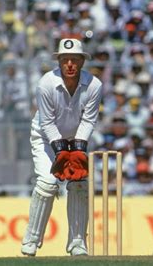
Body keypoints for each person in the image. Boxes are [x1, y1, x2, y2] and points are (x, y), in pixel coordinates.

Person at [21, 38, 103, 256]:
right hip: (45, 138)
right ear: (58, 61)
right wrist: (61, 150)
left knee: (79, 184)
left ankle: (77, 243)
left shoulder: (94, 85)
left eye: (74, 60)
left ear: (82, 62)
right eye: (65, 59)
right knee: (48, 184)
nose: (69, 64)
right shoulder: (45, 84)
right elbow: (47, 122)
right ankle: (31, 240)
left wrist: (76, 149)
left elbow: (89, 120)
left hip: (76, 137)